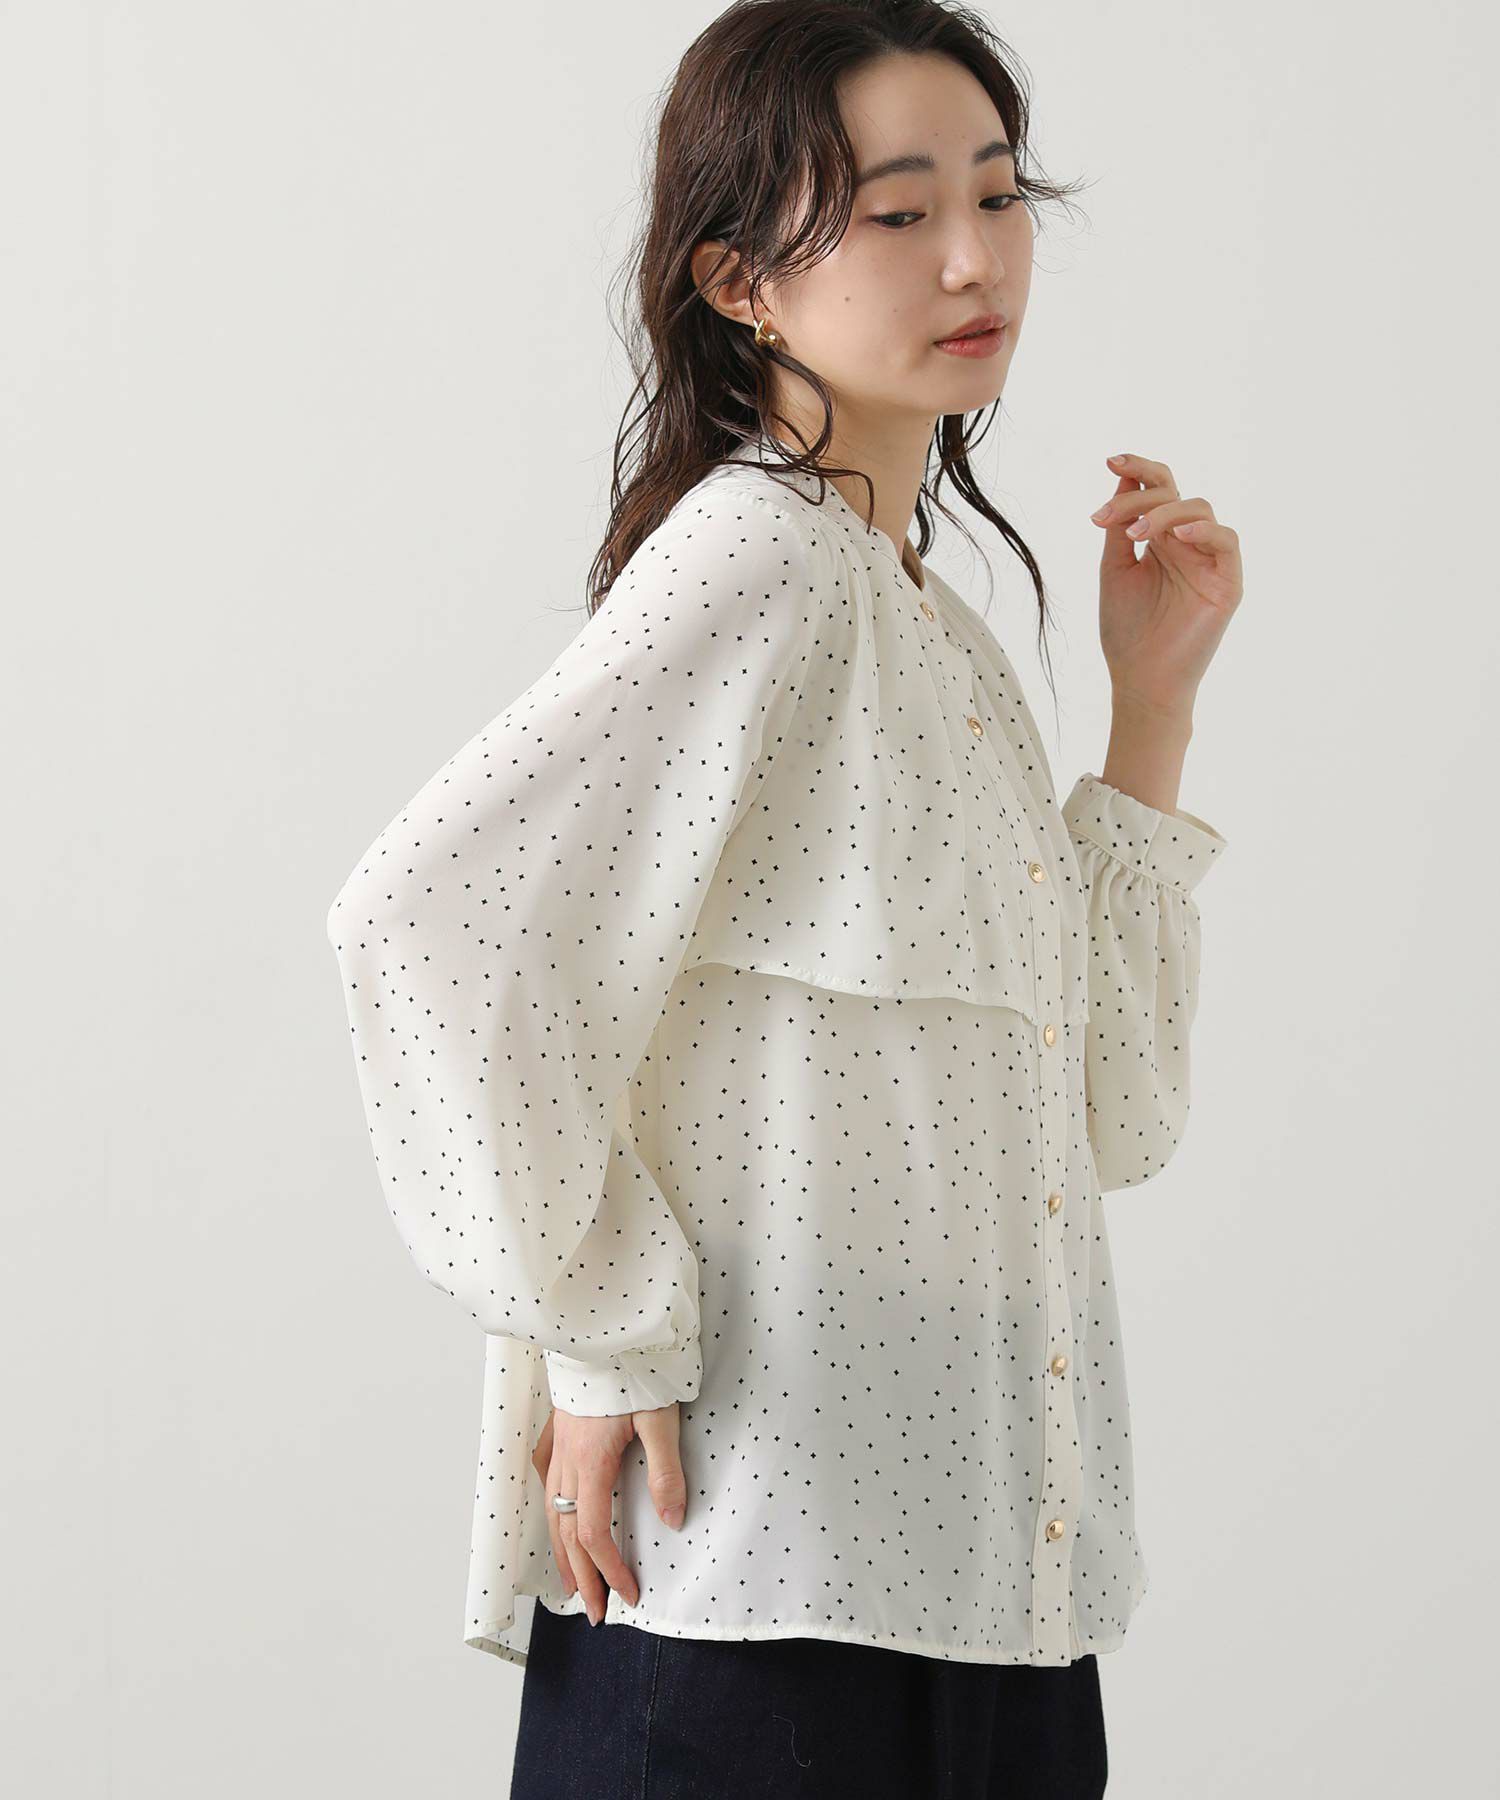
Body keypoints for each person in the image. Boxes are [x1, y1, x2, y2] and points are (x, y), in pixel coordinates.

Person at [324, 3, 1241, 1794]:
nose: (974, 256)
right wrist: (599, 1334)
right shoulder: (761, 560)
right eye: (898, 212)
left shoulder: (933, 627)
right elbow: (425, 920)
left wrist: (1154, 710)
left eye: (1000, 194)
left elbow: (1111, 1116)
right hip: (760, 1601)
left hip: (992, 1596)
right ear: (739, 281)